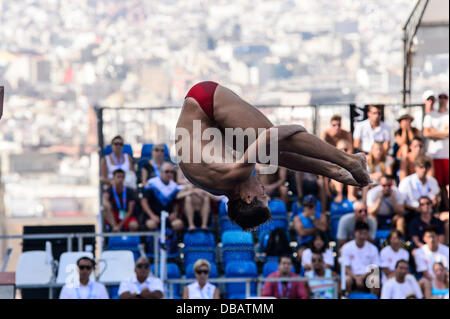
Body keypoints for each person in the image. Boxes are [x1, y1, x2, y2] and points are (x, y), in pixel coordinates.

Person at [176, 81, 370, 230]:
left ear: (248, 197)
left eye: (263, 195)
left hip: (204, 101)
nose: (264, 189)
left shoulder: (233, 175)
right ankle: (336, 169)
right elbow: (274, 155)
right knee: (270, 152)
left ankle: (350, 161)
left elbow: (271, 135)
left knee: (279, 140)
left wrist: (297, 129)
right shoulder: (222, 188)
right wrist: (330, 171)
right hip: (208, 124)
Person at [423, 90, 449, 212]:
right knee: (437, 186)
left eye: (445, 97)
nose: (443, 99)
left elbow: (431, 132)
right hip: (433, 155)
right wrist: (444, 133)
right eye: (441, 97)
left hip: (446, 155)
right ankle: (438, 210)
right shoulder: (430, 115)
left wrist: (434, 133)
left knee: (446, 187)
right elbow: (426, 132)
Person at [140, 162, 184, 233]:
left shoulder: (174, 186)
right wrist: (152, 215)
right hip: (153, 216)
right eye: (167, 171)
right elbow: (144, 201)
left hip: (168, 217)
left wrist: (174, 213)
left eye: (172, 172)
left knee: (178, 224)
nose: (169, 174)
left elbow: (176, 203)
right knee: (151, 224)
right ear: (161, 172)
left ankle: (174, 242)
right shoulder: (152, 183)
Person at [341, 221, 380, 295]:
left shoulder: (373, 248)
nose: (362, 236)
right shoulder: (346, 247)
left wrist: (362, 277)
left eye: (365, 233)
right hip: (352, 276)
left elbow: (374, 268)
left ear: (368, 234)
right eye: (360, 233)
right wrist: (356, 278)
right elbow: (345, 267)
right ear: (355, 232)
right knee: (346, 280)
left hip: (366, 275)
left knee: (374, 280)